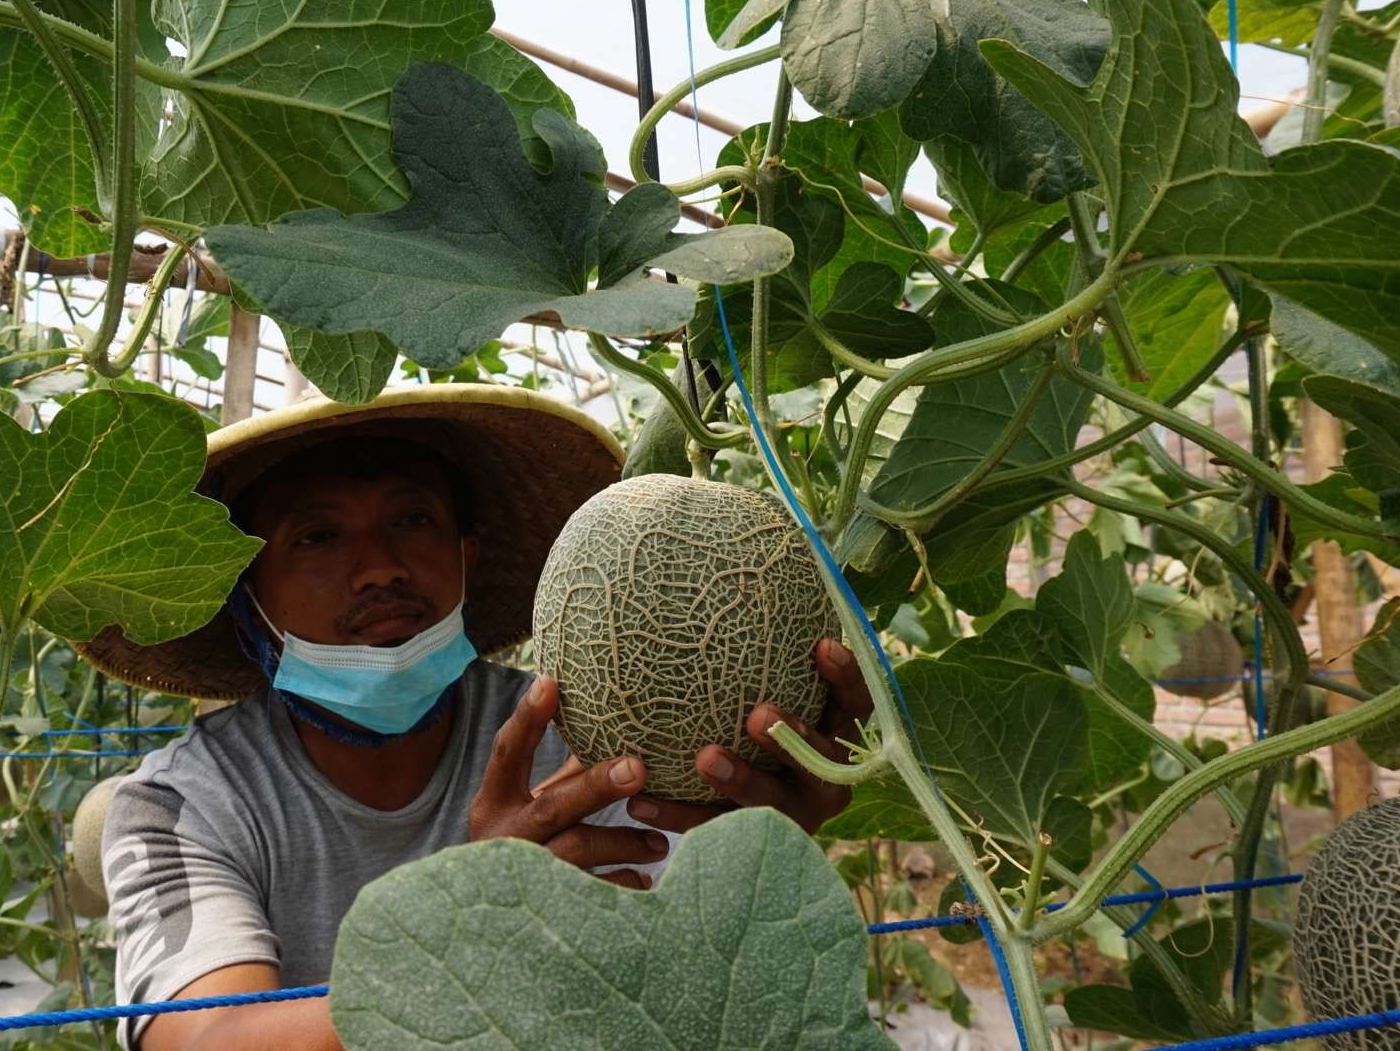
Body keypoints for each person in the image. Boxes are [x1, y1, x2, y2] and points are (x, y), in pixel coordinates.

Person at [85, 385, 874, 1051]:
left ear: (468, 551)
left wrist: (766, 832)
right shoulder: (180, 808)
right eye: (318, 535)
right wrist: (482, 916)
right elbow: (205, 1042)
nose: (382, 566)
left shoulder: (588, 731)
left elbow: (703, 957)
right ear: (243, 596)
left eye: (413, 520)